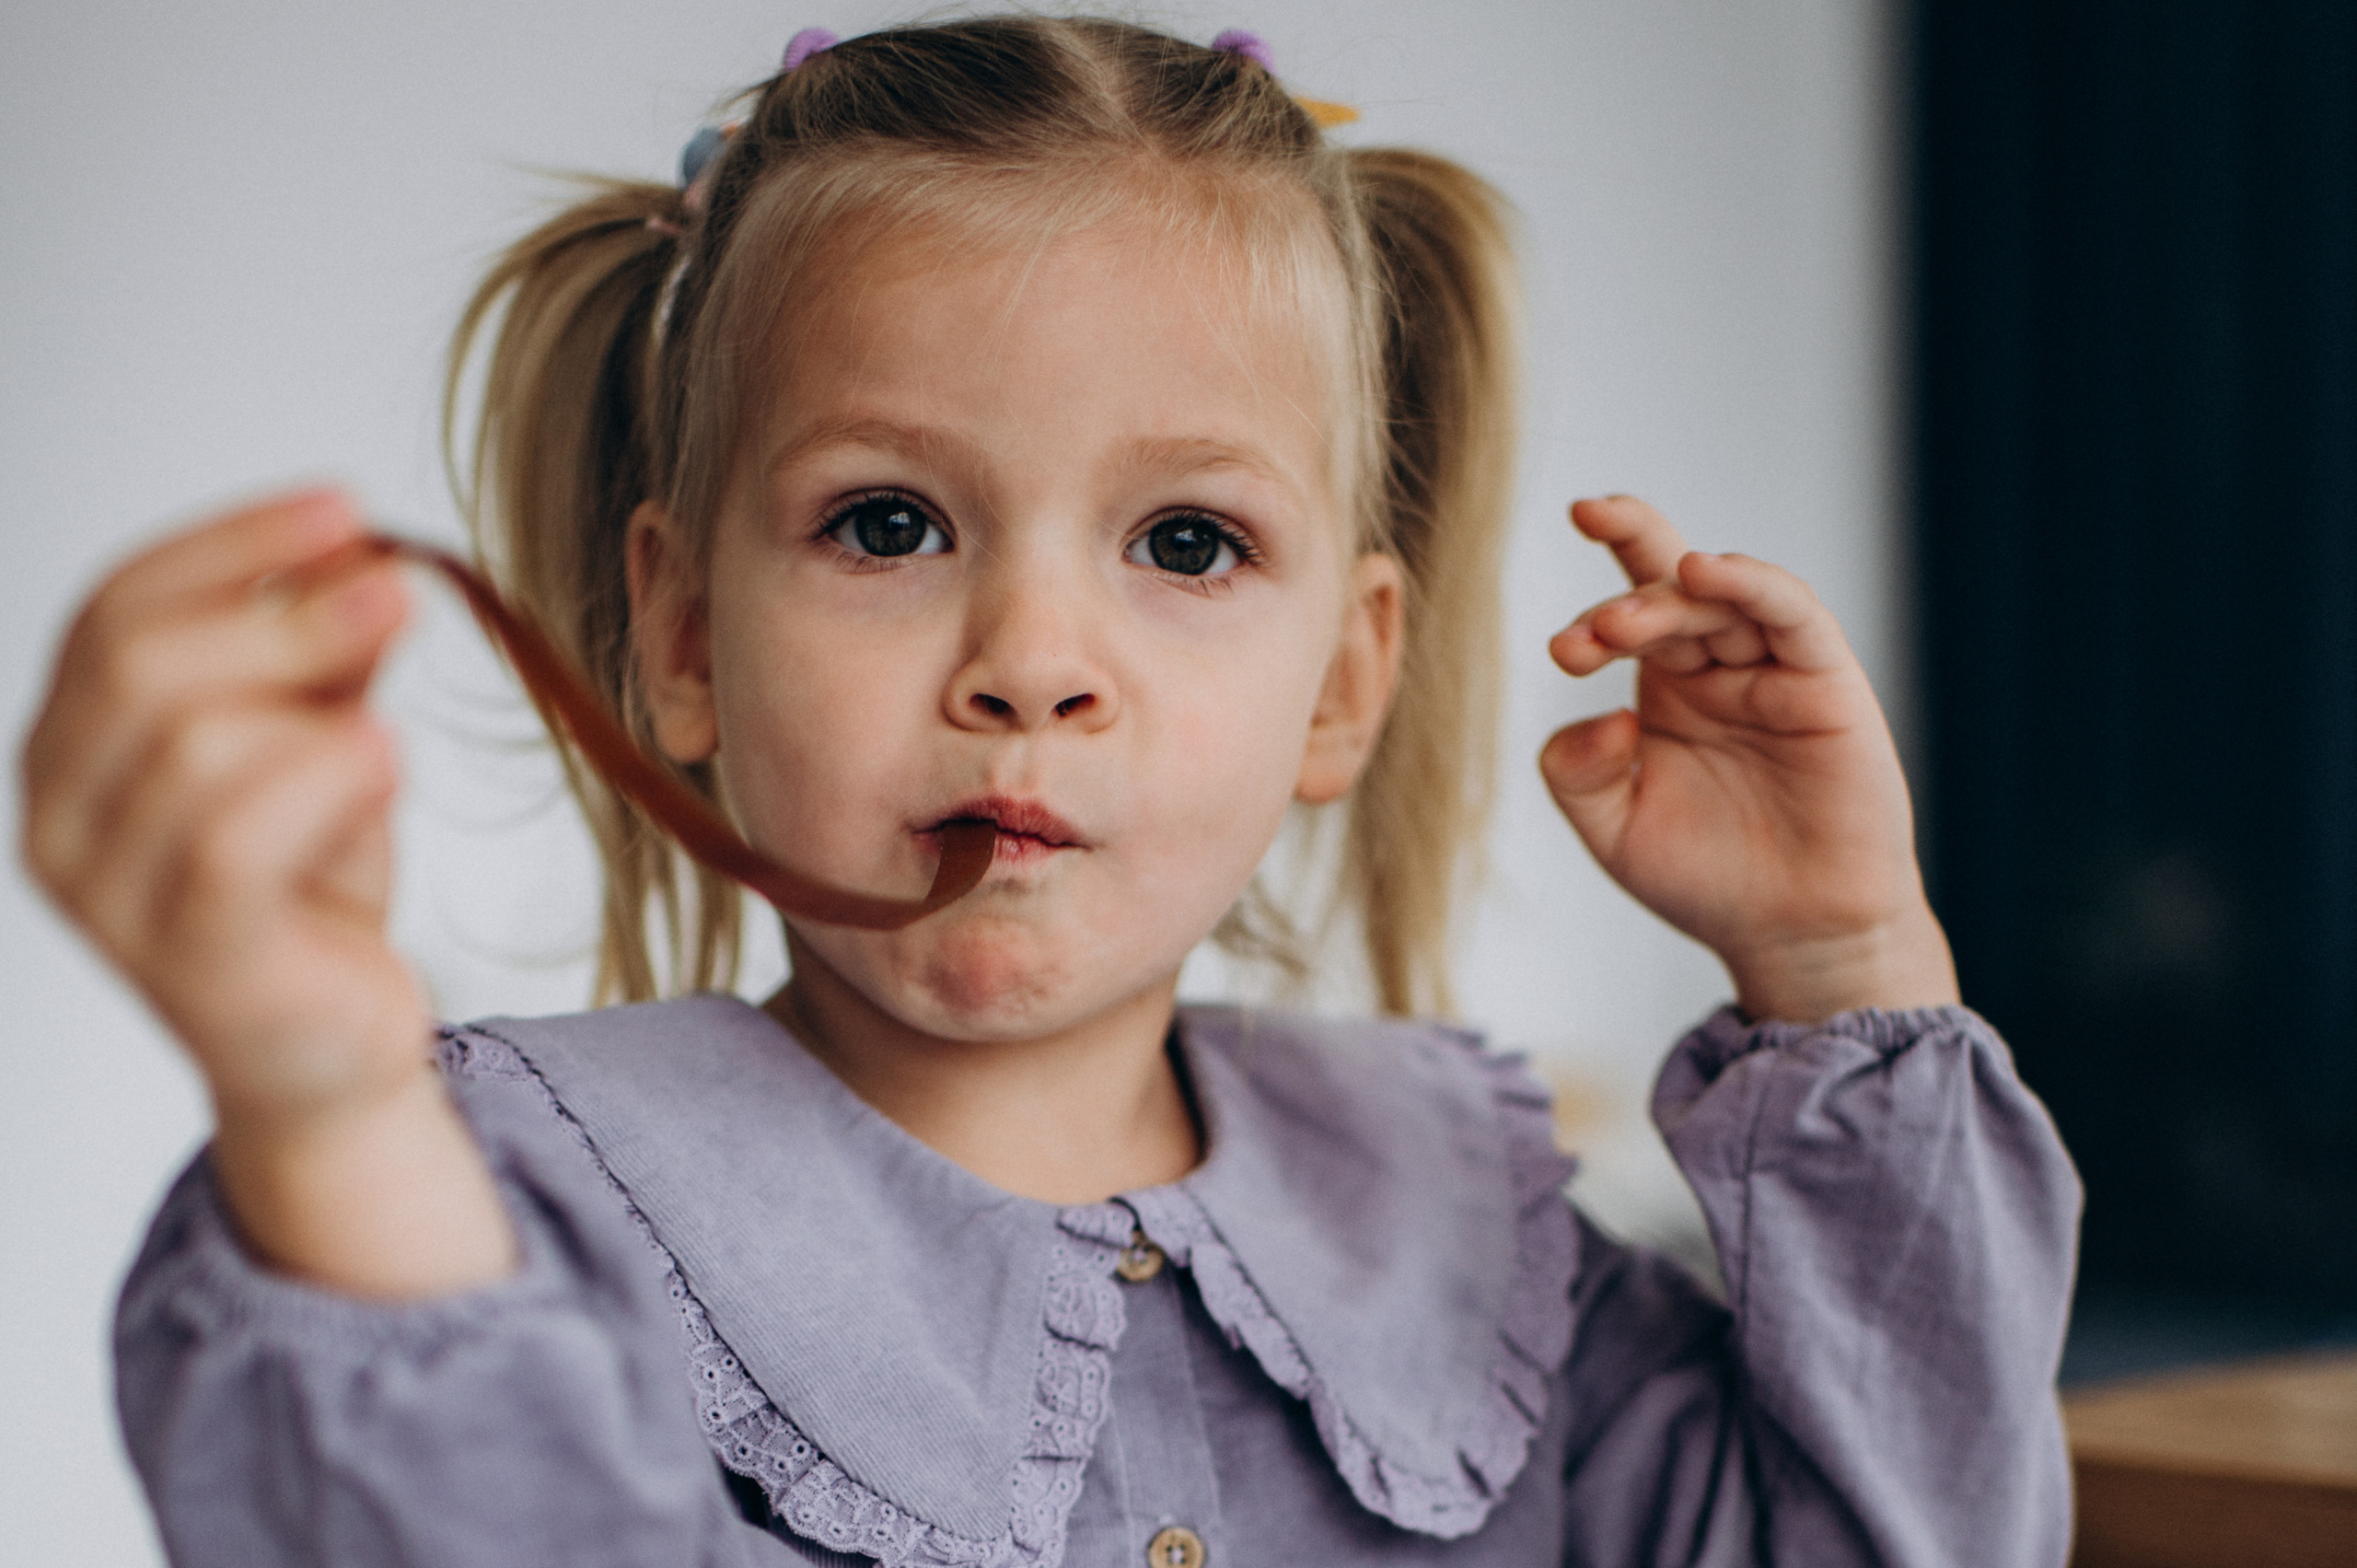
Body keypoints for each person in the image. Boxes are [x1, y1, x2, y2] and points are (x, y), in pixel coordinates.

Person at [17, 17, 2080, 1568]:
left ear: (1340, 683)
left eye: (1183, 545)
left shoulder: (1478, 1233)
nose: (1028, 658)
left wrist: (1836, 963)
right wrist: (318, 1108)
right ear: (682, 633)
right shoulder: (489, 1212)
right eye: (889, 522)